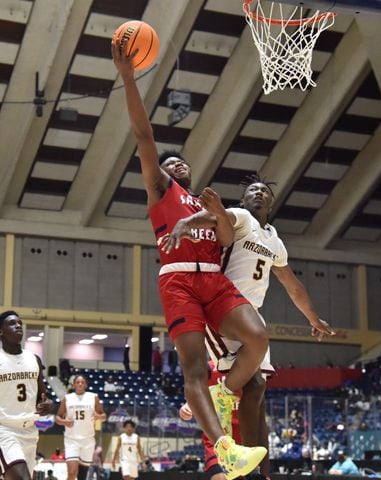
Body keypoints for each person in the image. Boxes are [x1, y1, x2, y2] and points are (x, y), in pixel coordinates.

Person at [112, 36, 268, 479]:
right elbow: (144, 135)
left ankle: (225, 395)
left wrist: (216, 214)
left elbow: (222, 237)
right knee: (194, 370)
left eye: (182, 163)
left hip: (214, 278)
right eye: (170, 162)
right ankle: (224, 448)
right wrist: (128, 78)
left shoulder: (205, 200)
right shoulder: (161, 191)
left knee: (258, 338)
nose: (177, 165)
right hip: (179, 279)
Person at [163, 175, 335, 476]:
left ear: (271, 202)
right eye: (251, 190)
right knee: (249, 385)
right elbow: (213, 217)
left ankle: (254, 465)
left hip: (250, 313)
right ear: (243, 200)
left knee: (258, 391)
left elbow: (292, 286)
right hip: (223, 308)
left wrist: (313, 319)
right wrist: (185, 224)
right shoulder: (241, 217)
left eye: (263, 190)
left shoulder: (275, 241)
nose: (257, 192)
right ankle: (229, 425)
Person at [0, 310, 54, 480]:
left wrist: (47, 403)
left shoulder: (34, 359)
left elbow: (41, 394)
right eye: (12, 323)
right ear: (1, 331)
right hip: (5, 431)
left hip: (30, 431)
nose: (18, 326)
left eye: (20, 323)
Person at [179, 361, 241, 480]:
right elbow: (197, 390)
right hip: (217, 435)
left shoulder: (246, 361)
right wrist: (188, 405)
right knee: (220, 477)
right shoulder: (207, 367)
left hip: (242, 435)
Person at [55, 374, 107, 480]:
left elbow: (104, 416)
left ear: (86, 385)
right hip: (71, 440)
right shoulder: (67, 398)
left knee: (82, 476)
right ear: (73, 385)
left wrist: (98, 416)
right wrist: (64, 422)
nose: (80, 384)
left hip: (88, 440)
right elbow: (57, 418)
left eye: (82, 382)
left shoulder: (93, 397)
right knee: (72, 473)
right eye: (77, 382)